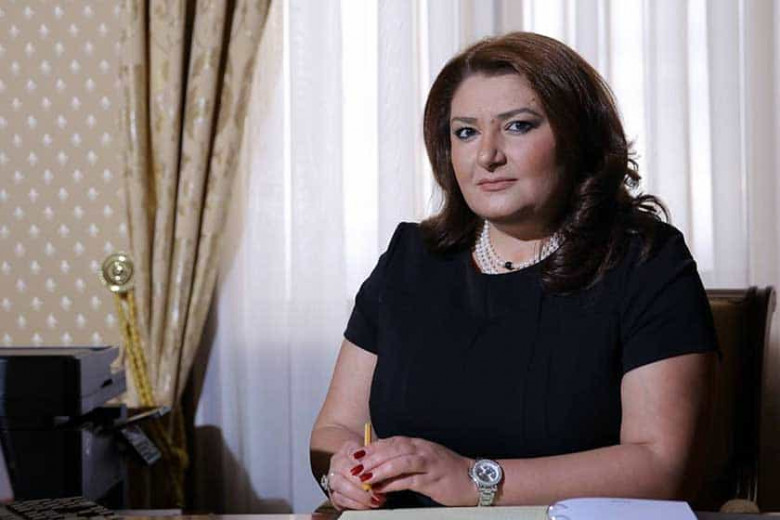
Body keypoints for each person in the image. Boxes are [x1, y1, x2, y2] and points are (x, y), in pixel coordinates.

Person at [309, 31, 717, 510]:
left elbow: (661, 467)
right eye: (466, 132)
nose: (487, 155)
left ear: (577, 136)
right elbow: (336, 428)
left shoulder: (647, 260)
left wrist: (475, 480)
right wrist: (345, 471)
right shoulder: (409, 258)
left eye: (518, 126)